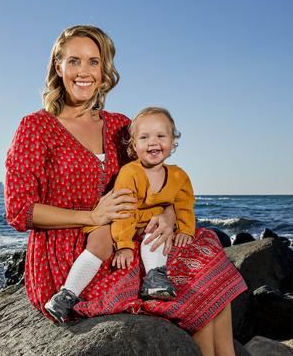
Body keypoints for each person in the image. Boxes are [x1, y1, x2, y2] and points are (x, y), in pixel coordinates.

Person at [5, 25, 247, 356]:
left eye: (94, 61)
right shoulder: (36, 127)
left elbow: (153, 178)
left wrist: (168, 214)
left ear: (105, 71)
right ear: (58, 66)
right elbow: (20, 211)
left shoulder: (121, 125)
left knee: (204, 246)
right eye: (74, 61)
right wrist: (92, 215)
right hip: (71, 255)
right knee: (192, 280)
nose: (84, 72)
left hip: (124, 235)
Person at [45, 107, 194, 321]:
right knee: (98, 245)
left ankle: (155, 276)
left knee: (158, 231)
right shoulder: (130, 172)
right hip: (117, 217)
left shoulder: (179, 176)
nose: (153, 142)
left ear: (173, 142)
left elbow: (184, 204)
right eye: (144, 137)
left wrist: (185, 229)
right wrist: (124, 245)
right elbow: (123, 210)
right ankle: (66, 295)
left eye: (161, 136)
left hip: (144, 222)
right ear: (134, 145)